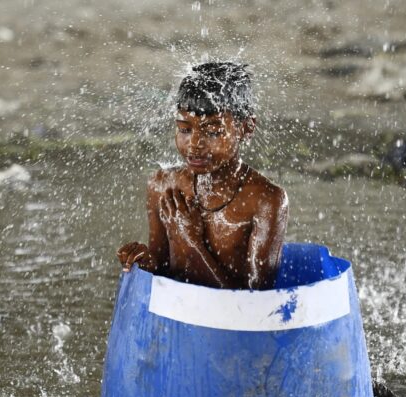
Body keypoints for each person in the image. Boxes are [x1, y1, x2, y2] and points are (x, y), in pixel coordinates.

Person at [117, 62, 288, 290]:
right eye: (185, 129)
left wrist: (189, 242)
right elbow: (163, 270)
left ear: (246, 128)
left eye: (213, 132)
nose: (195, 144)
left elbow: (254, 304)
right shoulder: (162, 186)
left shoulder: (266, 200)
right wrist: (144, 263)